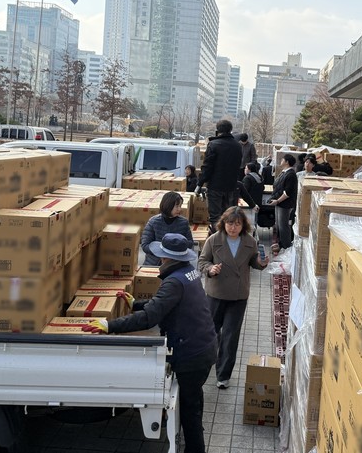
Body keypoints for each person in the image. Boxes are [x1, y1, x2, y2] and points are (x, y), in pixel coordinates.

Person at [82, 233, 216, 453]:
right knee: (193, 401)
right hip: (203, 347)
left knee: (190, 411)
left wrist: (109, 325)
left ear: (166, 258)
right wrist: (136, 303)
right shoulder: (187, 273)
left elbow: (149, 317)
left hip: (192, 354)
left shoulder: (174, 281)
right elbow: (164, 304)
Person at [198, 207, 269, 389]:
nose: (233, 228)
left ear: (243, 225)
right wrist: (210, 269)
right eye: (230, 223)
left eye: (237, 224)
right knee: (210, 333)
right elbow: (202, 261)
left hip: (238, 296)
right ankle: (203, 366)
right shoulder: (214, 240)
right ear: (224, 223)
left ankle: (223, 375)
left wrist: (261, 263)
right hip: (216, 294)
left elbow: (254, 262)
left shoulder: (250, 242)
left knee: (230, 336)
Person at [195, 119, 242, 233]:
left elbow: (207, 167)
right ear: (230, 130)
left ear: (217, 130)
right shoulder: (237, 146)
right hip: (231, 186)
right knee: (229, 216)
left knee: (215, 216)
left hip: (215, 186)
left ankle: (218, 239)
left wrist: (200, 184)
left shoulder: (213, 144)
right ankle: (227, 237)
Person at [141, 191, 194, 266]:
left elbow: (190, 243)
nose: (179, 209)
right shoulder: (154, 221)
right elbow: (145, 245)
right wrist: (161, 251)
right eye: (176, 206)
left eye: (180, 206)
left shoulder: (184, 222)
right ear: (168, 205)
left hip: (177, 263)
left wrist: (176, 249)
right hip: (154, 263)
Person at [267, 153, 298, 252]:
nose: (281, 161)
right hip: (279, 203)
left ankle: (286, 247)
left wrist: (278, 200)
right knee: (279, 225)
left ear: (287, 162)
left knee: (283, 226)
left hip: (285, 204)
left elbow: (287, 192)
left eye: (282, 160)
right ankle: (280, 244)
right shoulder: (284, 172)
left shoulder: (291, 174)